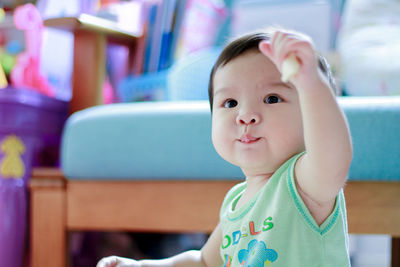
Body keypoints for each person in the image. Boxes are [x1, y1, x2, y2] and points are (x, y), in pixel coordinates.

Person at [97, 27, 353, 267]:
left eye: (272, 98)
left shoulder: (303, 185)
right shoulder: (236, 201)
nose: (245, 115)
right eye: (230, 103)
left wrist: (312, 84)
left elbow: (332, 157)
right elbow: (204, 262)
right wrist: (144, 264)